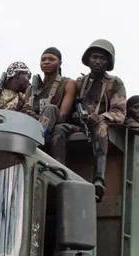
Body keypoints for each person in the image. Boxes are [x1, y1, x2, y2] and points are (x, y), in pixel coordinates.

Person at [49, 39, 127, 200]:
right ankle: (59, 171)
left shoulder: (115, 83)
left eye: (102, 58)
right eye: (94, 57)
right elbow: (69, 107)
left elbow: (119, 112)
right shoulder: (80, 83)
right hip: (79, 125)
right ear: (88, 59)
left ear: (108, 62)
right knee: (59, 129)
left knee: (101, 126)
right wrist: (75, 115)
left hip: (100, 125)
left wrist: (101, 116)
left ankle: (99, 178)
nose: (97, 61)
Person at [27, 47, 77, 142]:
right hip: (32, 126)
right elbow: (26, 112)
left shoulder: (68, 83)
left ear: (60, 63)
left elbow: (62, 116)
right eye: (43, 60)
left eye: (51, 59)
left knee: (51, 108)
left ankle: (39, 138)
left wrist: (38, 117)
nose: (46, 62)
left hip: (57, 126)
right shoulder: (32, 89)